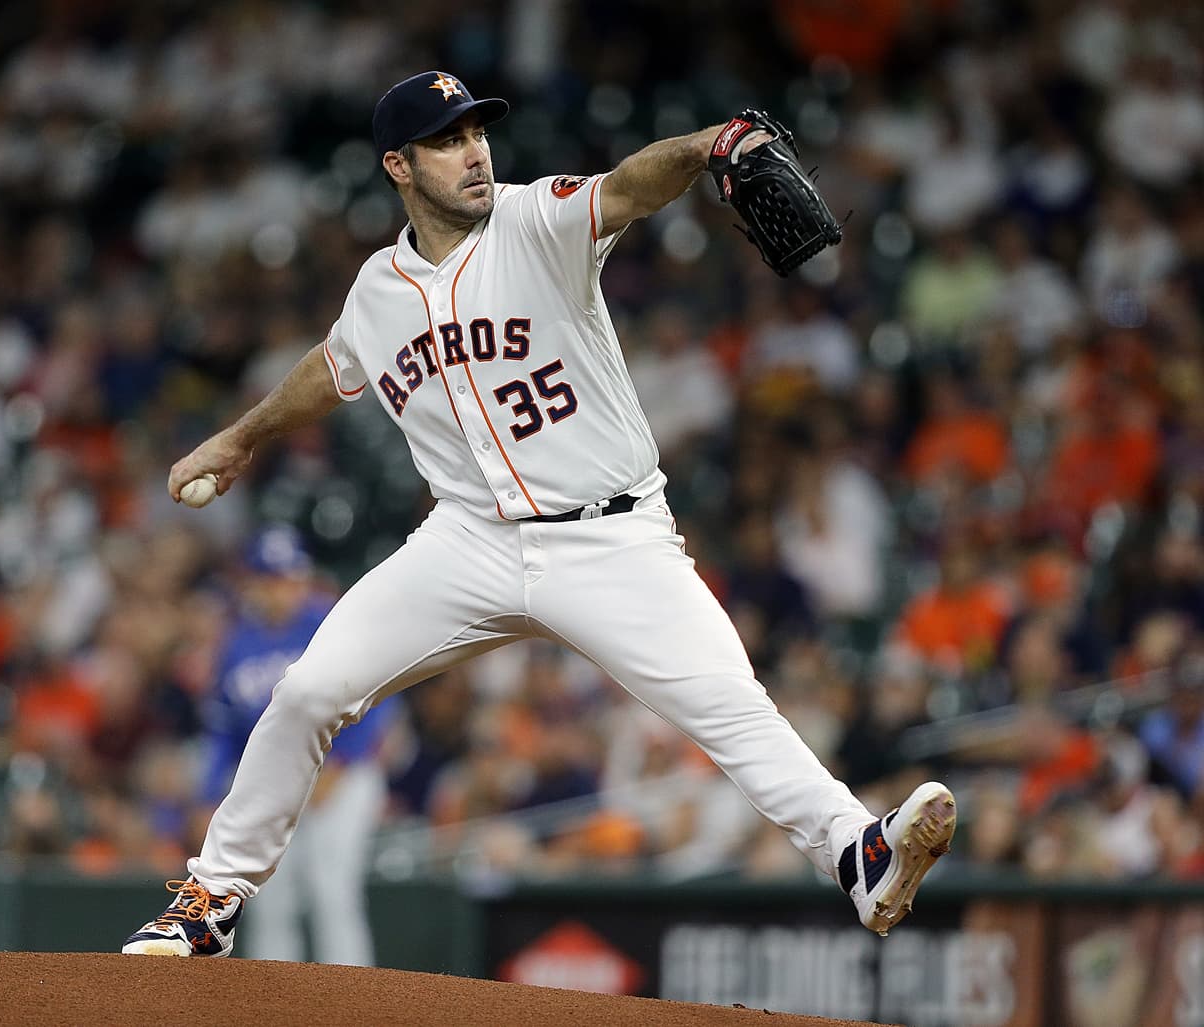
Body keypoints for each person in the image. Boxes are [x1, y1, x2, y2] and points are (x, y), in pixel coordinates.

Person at [122, 70, 956, 959]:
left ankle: (856, 852)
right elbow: (333, 366)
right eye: (448, 140)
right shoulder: (378, 289)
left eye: (477, 132)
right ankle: (211, 897)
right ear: (399, 166)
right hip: (466, 541)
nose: (474, 152)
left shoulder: (536, 219)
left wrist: (706, 145)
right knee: (305, 691)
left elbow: (630, 186)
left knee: (728, 704)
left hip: (610, 536)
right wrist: (240, 438)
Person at [198, 525, 396, 964]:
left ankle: (349, 994)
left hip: (341, 779)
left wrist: (341, 764)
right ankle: (277, 998)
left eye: (290, 577)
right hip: (277, 780)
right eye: (272, 579)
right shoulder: (237, 643)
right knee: (268, 898)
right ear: (252, 583)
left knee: (331, 889)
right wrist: (209, 793)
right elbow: (224, 729)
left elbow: (380, 697)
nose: (283, 588)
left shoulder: (330, 621)